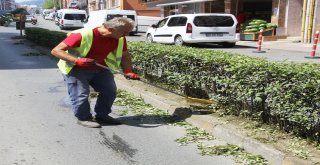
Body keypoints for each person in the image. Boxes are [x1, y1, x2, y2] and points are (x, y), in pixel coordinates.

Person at [51, 17, 140, 128]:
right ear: (111, 29)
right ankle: (84, 117)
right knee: (81, 94)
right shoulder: (82, 35)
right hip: (76, 68)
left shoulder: (120, 38)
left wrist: (128, 71)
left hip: (101, 67)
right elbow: (56, 50)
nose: (126, 35)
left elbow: (125, 55)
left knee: (109, 91)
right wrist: (77, 60)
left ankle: (102, 115)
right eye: (124, 32)